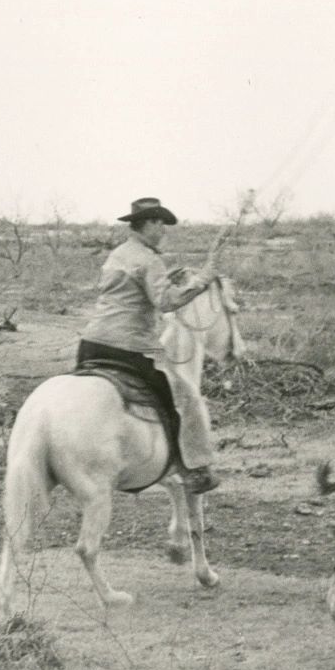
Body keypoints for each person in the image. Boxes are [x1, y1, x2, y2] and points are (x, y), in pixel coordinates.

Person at [76, 197, 221, 494]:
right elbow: (168, 302)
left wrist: (166, 279)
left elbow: (127, 290)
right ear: (149, 224)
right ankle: (194, 469)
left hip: (91, 343)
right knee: (188, 399)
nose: (163, 230)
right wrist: (205, 276)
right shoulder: (149, 259)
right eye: (160, 224)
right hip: (131, 346)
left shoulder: (117, 254)